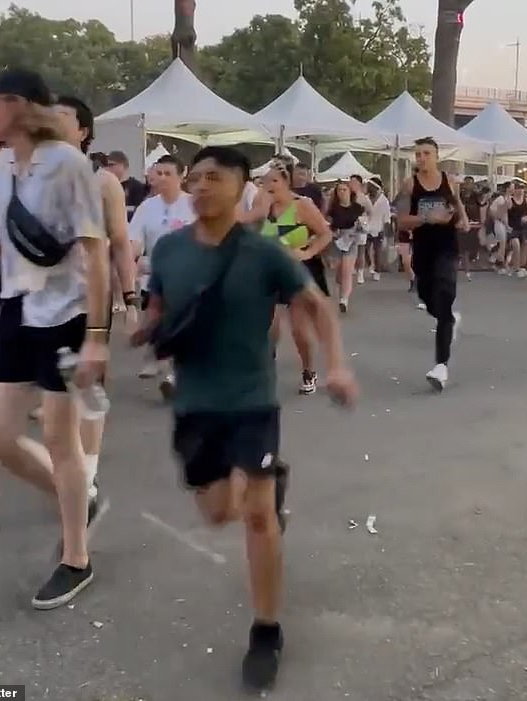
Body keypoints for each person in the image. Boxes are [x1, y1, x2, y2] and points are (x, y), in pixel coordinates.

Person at [130, 145, 357, 691]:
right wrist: (145, 328)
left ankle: (266, 630)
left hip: (253, 399)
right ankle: (268, 486)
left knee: (257, 518)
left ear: (239, 188)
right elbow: (156, 307)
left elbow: (318, 307)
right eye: (196, 178)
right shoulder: (169, 252)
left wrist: (337, 366)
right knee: (216, 512)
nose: (202, 186)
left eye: (215, 178)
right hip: (195, 403)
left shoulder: (263, 253)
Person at [0, 69, 110, 609]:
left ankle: (76, 558)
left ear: (24, 107)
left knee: (58, 436)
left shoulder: (69, 164)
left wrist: (97, 336)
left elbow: (94, 253)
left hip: (69, 316)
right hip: (16, 311)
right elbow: (0, 242)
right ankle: (79, 497)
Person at [54, 95, 138, 505]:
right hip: (41, 300)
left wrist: (131, 298)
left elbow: (120, 244)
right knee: (52, 393)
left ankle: (88, 473)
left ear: (83, 131)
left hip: (90, 298)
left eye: (61, 116)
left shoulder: (103, 182)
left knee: (86, 388)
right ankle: (69, 465)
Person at [396, 137, 468, 391]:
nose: (422, 158)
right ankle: (447, 317)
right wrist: (428, 217)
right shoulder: (409, 185)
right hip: (423, 249)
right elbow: (402, 221)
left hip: (447, 247)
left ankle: (441, 367)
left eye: (426, 153)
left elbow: (456, 204)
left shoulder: (449, 181)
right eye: (418, 154)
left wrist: (463, 219)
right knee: (429, 298)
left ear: (437, 155)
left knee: (445, 289)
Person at [260, 156, 332, 395]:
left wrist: (307, 252)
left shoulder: (302, 205)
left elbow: (325, 234)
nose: (268, 185)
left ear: (285, 181)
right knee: (269, 326)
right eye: (265, 180)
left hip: (298, 272)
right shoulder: (262, 207)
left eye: (273, 180)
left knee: (299, 330)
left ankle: (309, 370)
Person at [129, 154, 196, 395]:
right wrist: (132, 258)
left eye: (168, 174)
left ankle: (172, 375)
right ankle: (163, 362)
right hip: (155, 279)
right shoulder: (147, 207)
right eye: (159, 174)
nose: (163, 179)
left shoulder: (194, 205)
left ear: (182, 175)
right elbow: (134, 240)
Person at [327, 180, 365, 313]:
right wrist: (332, 232)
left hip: (352, 240)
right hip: (337, 240)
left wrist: (361, 225)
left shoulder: (357, 208)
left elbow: (364, 223)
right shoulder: (333, 208)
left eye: (344, 190)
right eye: (339, 190)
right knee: (339, 271)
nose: (342, 193)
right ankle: (341, 288)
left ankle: (344, 299)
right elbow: (328, 224)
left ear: (350, 192)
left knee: (347, 271)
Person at [105, 150, 148, 222]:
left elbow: (139, 212)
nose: (108, 169)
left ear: (123, 166)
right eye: (107, 165)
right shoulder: (107, 186)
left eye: (112, 165)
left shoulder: (136, 186)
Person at [364, 177, 391, 281]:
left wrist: (386, 233)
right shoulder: (365, 198)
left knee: (377, 252)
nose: (368, 187)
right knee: (365, 250)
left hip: (378, 229)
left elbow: (387, 218)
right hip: (366, 228)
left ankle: (377, 271)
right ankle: (370, 265)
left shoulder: (384, 201)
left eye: (370, 186)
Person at [507, 181, 527, 278]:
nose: (520, 191)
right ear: (514, 190)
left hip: (524, 227)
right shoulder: (510, 200)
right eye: (517, 188)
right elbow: (504, 213)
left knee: (526, 245)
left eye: (522, 188)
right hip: (512, 227)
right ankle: (516, 267)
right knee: (516, 245)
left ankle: (522, 266)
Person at [348, 174, 373, 284]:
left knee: (360, 251)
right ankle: (349, 269)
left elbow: (370, 212)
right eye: (351, 182)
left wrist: (365, 222)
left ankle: (360, 273)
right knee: (348, 249)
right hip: (348, 226)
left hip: (360, 226)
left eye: (354, 182)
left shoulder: (363, 198)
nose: (351, 184)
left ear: (359, 184)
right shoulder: (347, 195)